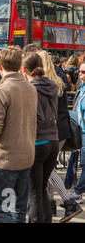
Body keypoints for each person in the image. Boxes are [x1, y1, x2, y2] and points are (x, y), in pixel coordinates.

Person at [0, 48, 38, 223]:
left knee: (0, 210)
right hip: (25, 157)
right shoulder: (31, 88)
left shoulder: (2, 90)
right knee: (18, 209)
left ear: (0, 66)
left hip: (4, 159)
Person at [37, 50, 83, 223]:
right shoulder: (59, 79)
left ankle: (67, 202)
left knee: (47, 169)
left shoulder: (46, 82)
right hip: (60, 129)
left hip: (52, 130)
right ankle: (50, 204)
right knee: (48, 168)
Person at [21, 52, 59, 223]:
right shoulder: (52, 85)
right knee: (41, 189)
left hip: (38, 143)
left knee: (35, 192)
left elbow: (37, 117)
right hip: (53, 141)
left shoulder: (31, 88)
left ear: (24, 70)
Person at [71, 60, 85, 204]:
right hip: (81, 131)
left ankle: (78, 191)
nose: (80, 75)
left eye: (83, 72)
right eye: (80, 71)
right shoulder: (82, 88)